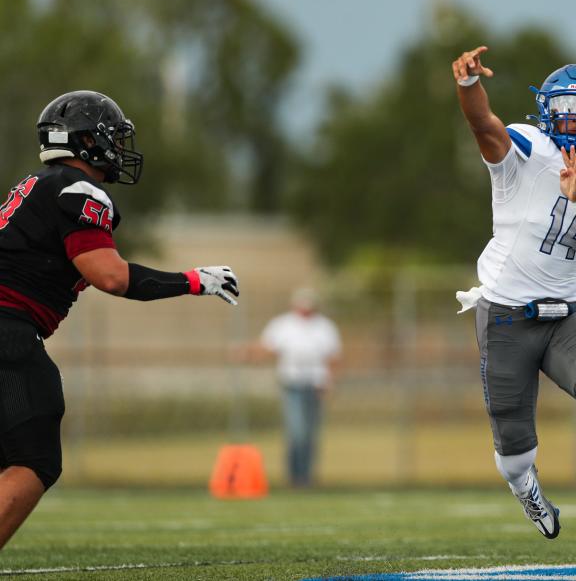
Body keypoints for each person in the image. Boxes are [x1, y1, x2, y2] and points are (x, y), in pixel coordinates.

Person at [0, 90, 239, 549]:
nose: (120, 148)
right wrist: (195, 280)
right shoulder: (79, 190)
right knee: (34, 457)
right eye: (112, 136)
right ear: (86, 140)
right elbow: (110, 276)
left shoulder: (34, 185)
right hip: (7, 330)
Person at [452, 46, 576, 580]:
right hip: (506, 314)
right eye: (569, 106)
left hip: (564, 315)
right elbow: (484, 126)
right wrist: (467, 87)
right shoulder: (526, 148)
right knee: (513, 456)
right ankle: (525, 487)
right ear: (548, 110)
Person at [258, 287, 341, 487]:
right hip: (292, 382)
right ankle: (295, 475)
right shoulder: (283, 324)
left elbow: (333, 357)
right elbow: (268, 348)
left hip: (315, 383)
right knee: (297, 431)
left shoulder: (324, 327)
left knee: (310, 433)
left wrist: (330, 381)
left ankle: (306, 476)